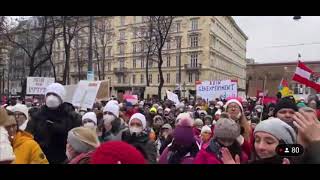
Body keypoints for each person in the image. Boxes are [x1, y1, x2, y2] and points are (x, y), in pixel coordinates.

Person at [26, 83, 82, 164]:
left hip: (65, 160)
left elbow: (78, 140)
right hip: (40, 159)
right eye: (49, 94)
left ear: (61, 97)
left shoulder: (72, 117)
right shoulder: (37, 117)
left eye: (55, 94)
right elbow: (28, 137)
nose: (51, 97)